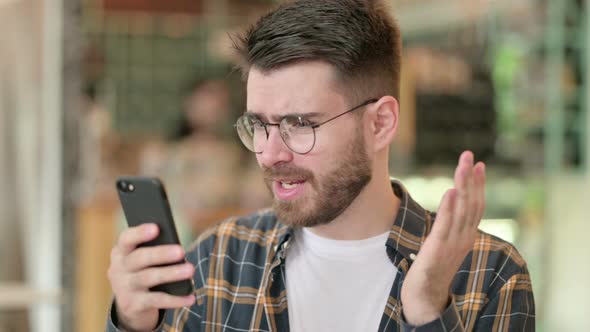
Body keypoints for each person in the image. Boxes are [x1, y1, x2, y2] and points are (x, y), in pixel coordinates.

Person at [106, 0, 535, 331]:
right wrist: (133, 322)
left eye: (299, 124)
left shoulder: (489, 274)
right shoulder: (220, 259)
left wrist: (427, 312)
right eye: (259, 124)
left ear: (380, 123)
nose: (270, 153)